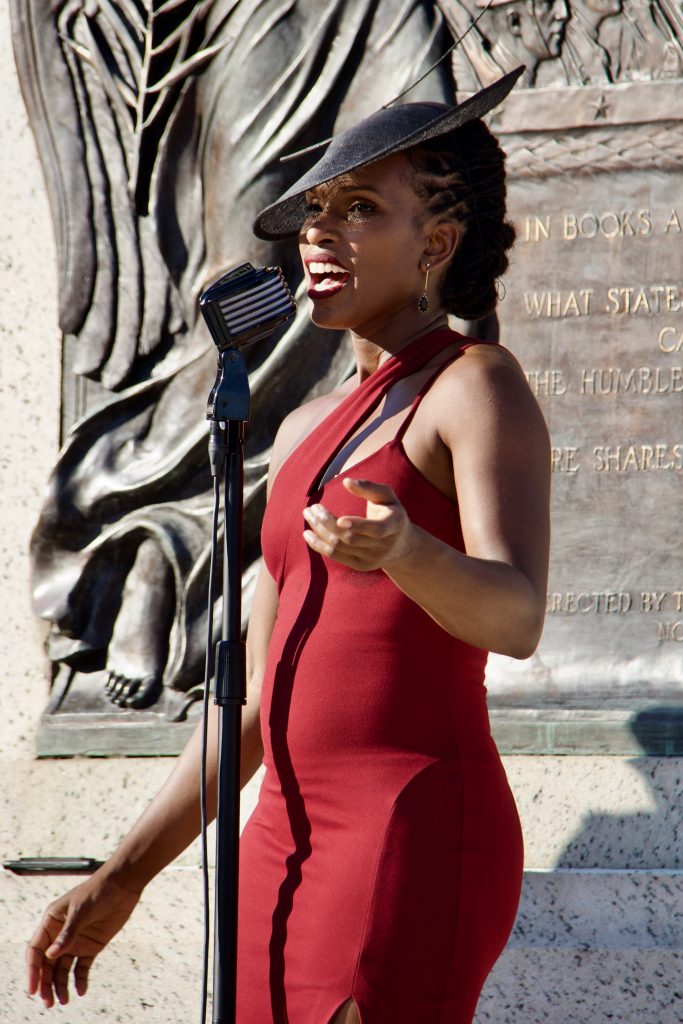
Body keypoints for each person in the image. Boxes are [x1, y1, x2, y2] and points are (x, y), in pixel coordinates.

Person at [26, 67, 551, 1024]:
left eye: (359, 208)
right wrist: (125, 874)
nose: (318, 232)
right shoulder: (306, 424)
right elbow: (260, 701)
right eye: (316, 211)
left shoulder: (474, 385)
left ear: (435, 240)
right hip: (282, 841)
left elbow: (516, 616)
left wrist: (407, 555)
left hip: (409, 829)